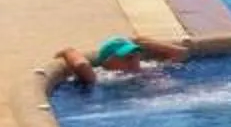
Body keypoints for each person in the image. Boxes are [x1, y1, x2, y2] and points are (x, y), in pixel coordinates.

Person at [52, 35, 188, 89]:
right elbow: (82, 65)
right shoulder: (103, 77)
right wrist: (68, 51)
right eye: (127, 57)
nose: (134, 61)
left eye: (136, 55)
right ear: (107, 62)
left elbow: (180, 53)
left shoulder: (148, 67)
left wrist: (140, 40)